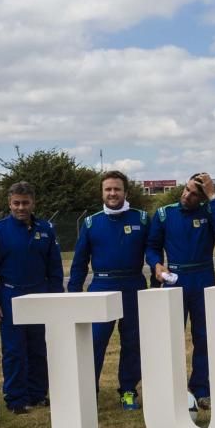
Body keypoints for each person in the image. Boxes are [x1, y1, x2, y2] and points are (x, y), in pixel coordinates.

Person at [145, 172, 215, 410]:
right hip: (175, 279)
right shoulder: (165, 214)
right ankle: (172, 389)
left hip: (203, 277)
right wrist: (156, 265)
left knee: (204, 336)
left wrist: (213, 195)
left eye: (194, 194)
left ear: (202, 197)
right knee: (171, 337)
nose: (187, 196)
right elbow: (152, 247)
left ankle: (201, 389)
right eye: (186, 190)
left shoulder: (208, 212)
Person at [0, 182, 63, 414]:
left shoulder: (46, 229)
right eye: (16, 203)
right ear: (9, 203)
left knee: (38, 348)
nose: (21, 207)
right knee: (14, 350)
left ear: (33, 203)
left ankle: (37, 393)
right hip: (10, 295)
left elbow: (54, 268)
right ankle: (16, 398)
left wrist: (56, 298)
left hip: (40, 294)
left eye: (25, 203)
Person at [67, 170, 148, 410]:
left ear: (126, 192)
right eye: (108, 189)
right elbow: (80, 262)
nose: (112, 193)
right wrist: (74, 294)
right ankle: (88, 392)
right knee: (94, 342)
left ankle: (128, 390)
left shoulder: (142, 219)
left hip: (133, 285)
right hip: (101, 286)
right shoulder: (92, 223)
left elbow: (153, 251)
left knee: (132, 342)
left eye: (117, 189)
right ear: (102, 193)